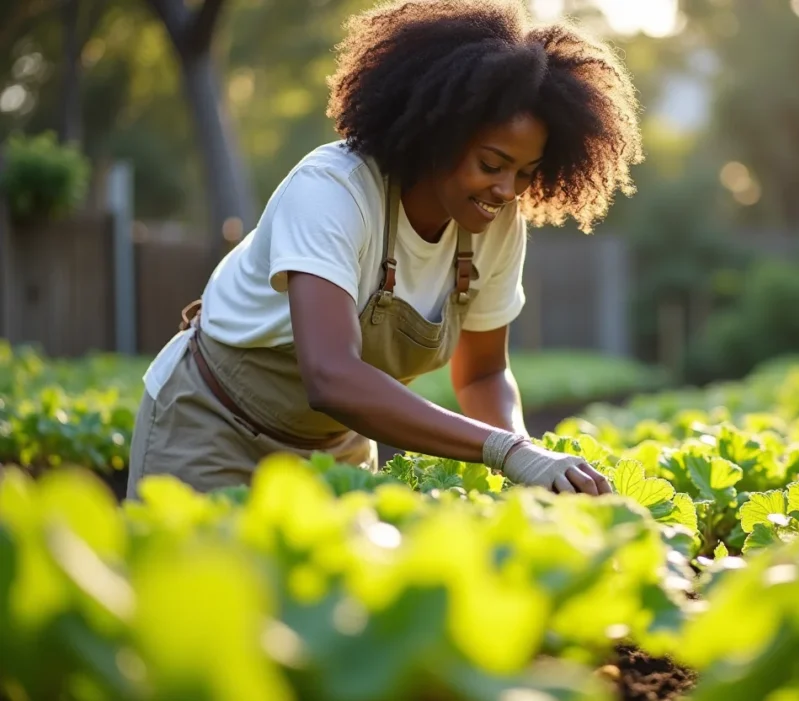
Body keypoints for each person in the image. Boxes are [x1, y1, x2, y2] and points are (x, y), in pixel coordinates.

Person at [125, 0, 643, 500]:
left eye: (525, 174)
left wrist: (527, 461)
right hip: (213, 425)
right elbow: (330, 375)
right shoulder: (333, 190)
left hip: (336, 450)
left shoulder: (497, 223)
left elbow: (483, 373)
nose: (508, 190)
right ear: (439, 134)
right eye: (492, 164)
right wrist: (503, 450)